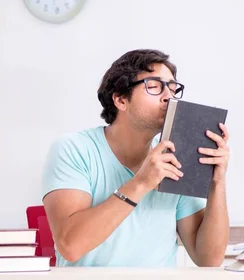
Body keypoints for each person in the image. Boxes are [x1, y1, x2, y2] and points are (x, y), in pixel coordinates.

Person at [40, 49, 230, 267]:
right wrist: (141, 183)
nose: (169, 96)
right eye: (155, 86)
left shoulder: (176, 157)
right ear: (121, 100)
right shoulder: (74, 149)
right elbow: (70, 246)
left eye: (173, 88)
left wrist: (217, 183)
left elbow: (209, 259)